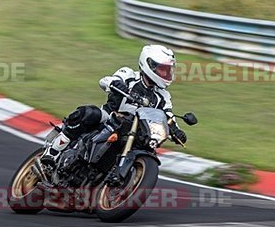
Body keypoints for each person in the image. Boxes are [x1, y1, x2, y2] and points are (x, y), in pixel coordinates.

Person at [41, 44, 187, 167]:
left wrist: (176, 131)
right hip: (110, 118)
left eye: (168, 70)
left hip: (135, 131)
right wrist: (116, 84)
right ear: (149, 65)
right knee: (89, 113)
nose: (166, 73)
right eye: (163, 69)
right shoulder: (129, 75)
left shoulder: (163, 96)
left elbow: (168, 116)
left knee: (148, 146)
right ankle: (53, 152)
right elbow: (104, 81)